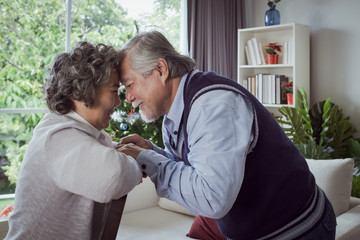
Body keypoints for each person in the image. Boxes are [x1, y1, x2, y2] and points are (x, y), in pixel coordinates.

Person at [116, 30, 337, 240]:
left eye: (129, 84)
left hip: (299, 229)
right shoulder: (174, 115)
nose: (128, 97)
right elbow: (196, 167)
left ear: (161, 69)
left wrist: (146, 160)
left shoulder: (213, 106)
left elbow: (212, 198)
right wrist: (151, 151)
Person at [5, 41, 142, 239]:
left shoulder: (76, 132)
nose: (119, 102)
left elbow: (98, 152)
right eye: (113, 91)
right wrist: (136, 161)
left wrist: (127, 151)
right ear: (80, 92)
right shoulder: (57, 137)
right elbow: (115, 176)